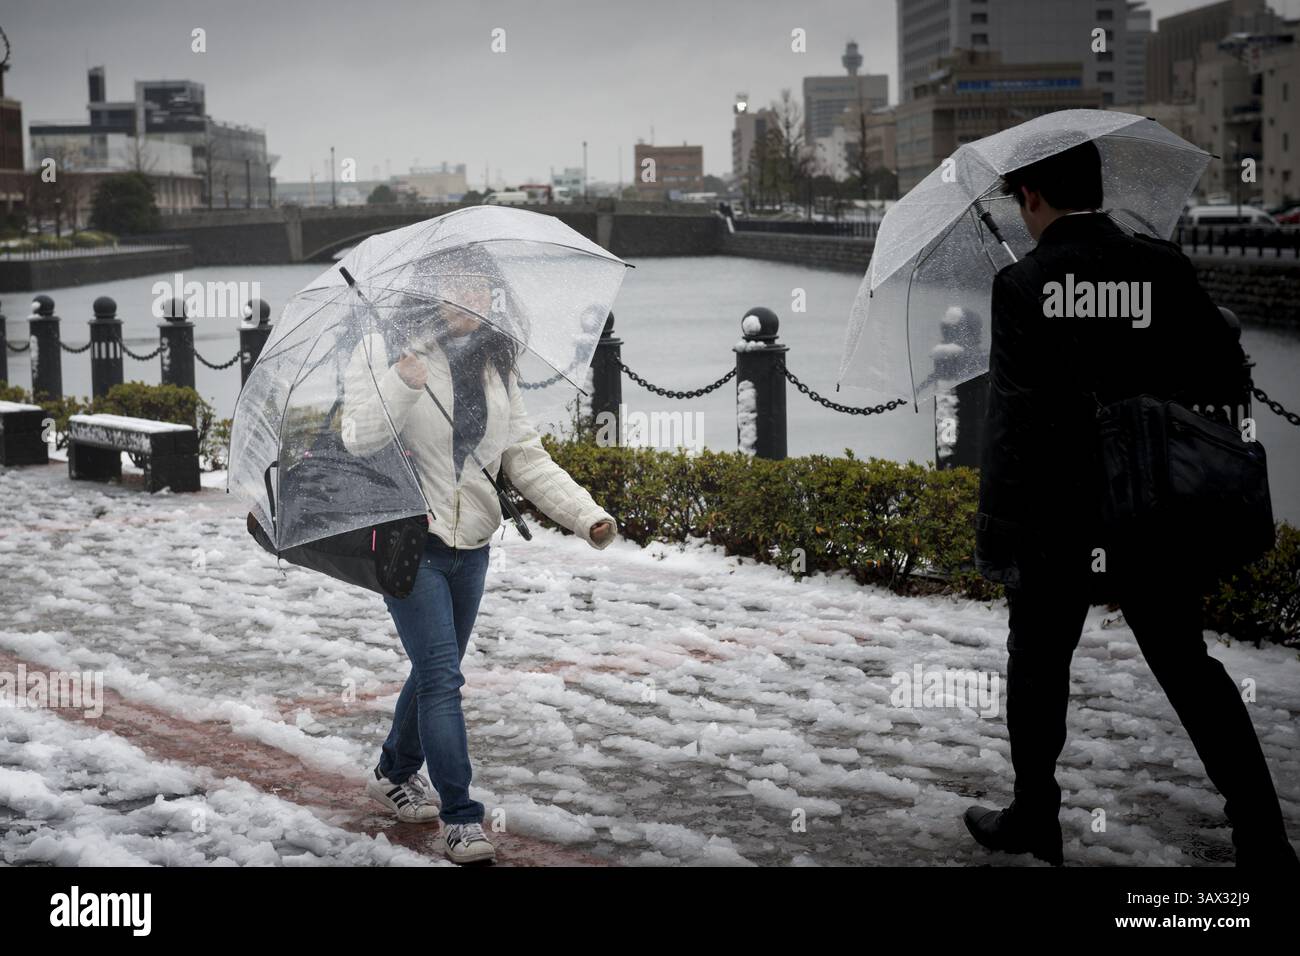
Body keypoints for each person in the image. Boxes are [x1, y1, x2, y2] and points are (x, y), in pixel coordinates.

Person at [965, 140, 1297, 868]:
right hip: (1154, 509)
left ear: (1031, 199)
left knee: (1039, 662)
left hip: (1061, 518)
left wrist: (999, 537)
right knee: (1188, 666)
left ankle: (1035, 818)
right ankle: (1263, 838)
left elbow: (1015, 427)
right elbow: (1224, 373)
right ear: (1096, 187)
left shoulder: (1023, 286)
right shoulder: (1161, 264)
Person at [341, 276, 616, 865]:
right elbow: (358, 438)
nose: (470, 301)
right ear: (430, 293)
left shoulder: (496, 361)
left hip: (473, 546)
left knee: (436, 667)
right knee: (442, 677)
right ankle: (461, 820)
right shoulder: (385, 348)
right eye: (455, 287)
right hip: (410, 541)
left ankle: (392, 770)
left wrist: (586, 516)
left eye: (481, 289)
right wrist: (400, 383)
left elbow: (524, 456)